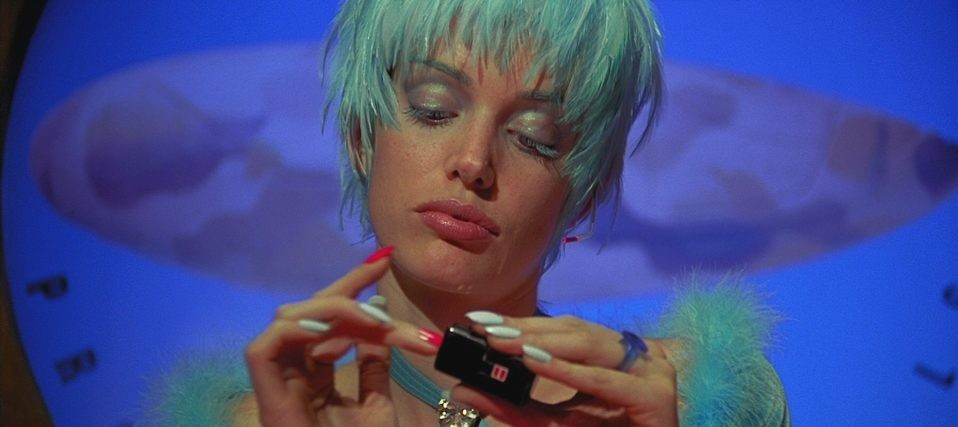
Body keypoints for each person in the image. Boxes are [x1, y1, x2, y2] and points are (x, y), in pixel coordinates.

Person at [146, 1, 788, 425]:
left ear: (584, 195)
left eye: (535, 137)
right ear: (361, 137)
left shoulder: (694, 403)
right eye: (434, 108)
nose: (474, 161)